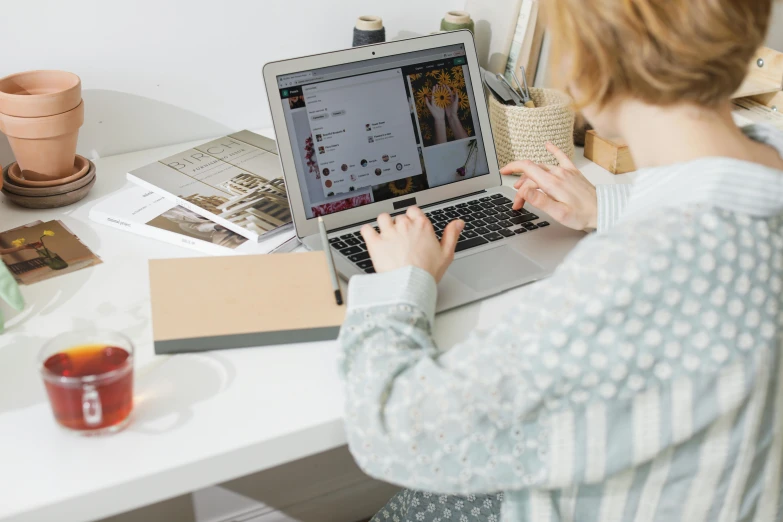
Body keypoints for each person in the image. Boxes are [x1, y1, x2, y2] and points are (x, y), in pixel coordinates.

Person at [338, 0, 783, 520]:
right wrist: (608, 207)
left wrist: (401, 284)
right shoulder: (764, 178)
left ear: (588, 64)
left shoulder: (638, 272)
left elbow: (397, 432)